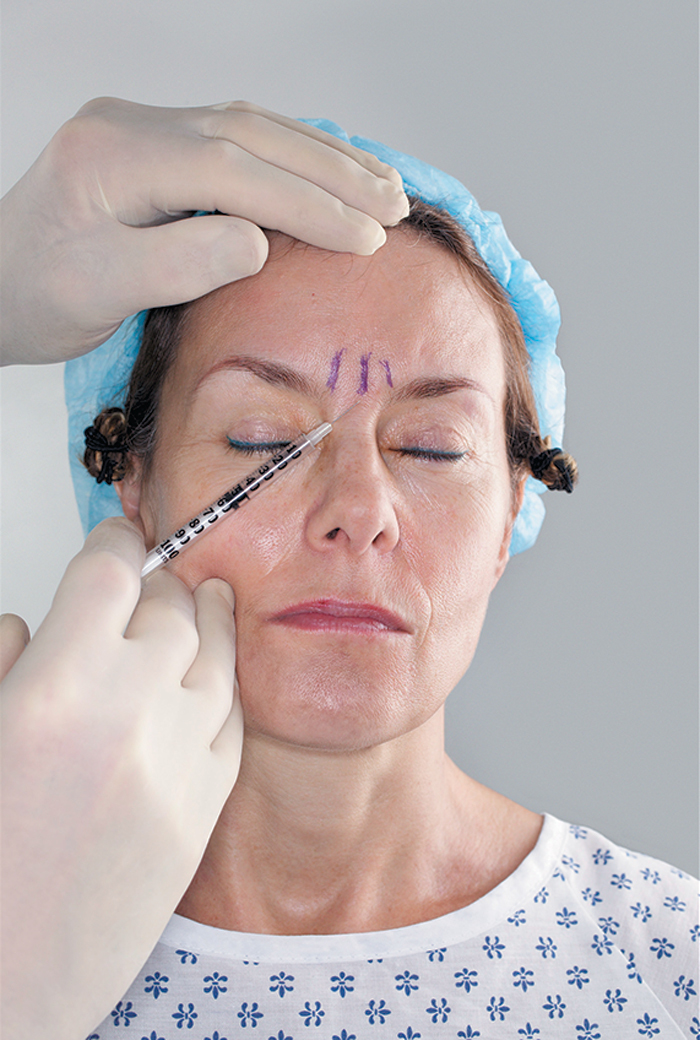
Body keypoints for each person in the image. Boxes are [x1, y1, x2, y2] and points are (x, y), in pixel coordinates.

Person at [2, 101, 697, 1040]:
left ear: (511, 512)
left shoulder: (669, 963)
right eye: (263, 438)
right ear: (133, 486)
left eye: (432, 448)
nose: (358, 514)